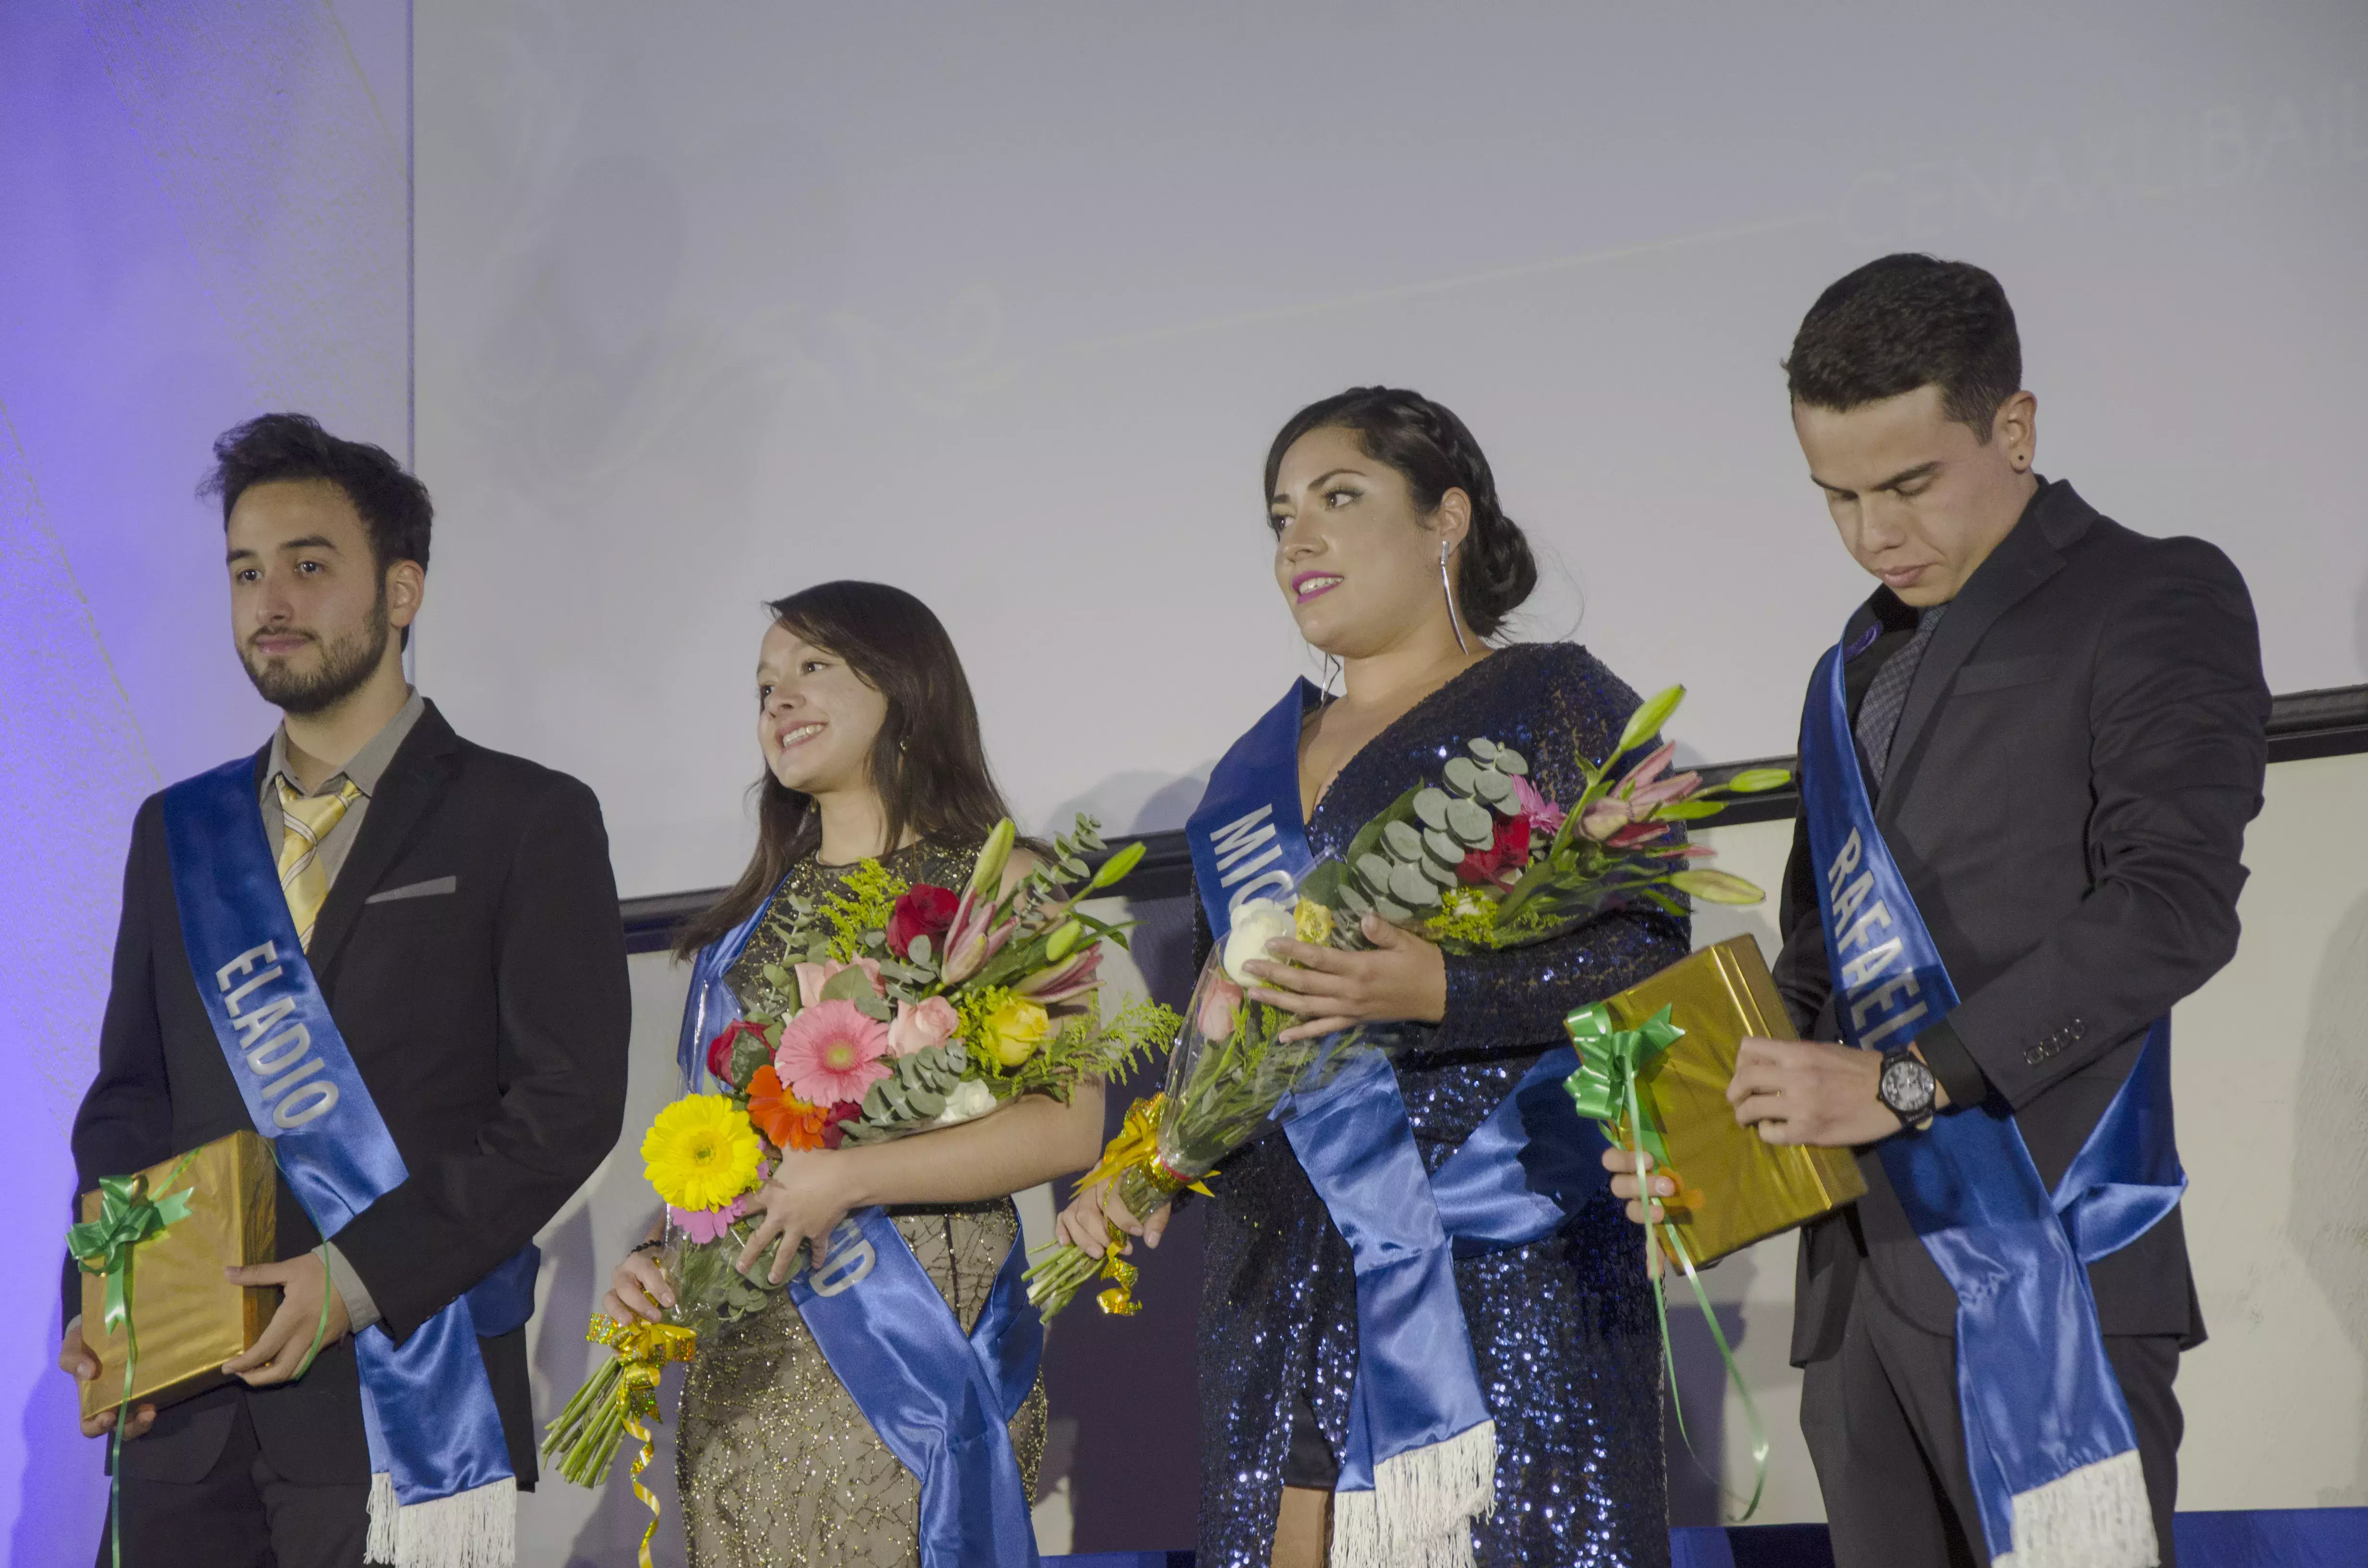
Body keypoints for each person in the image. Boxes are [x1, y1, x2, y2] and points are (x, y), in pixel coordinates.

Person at [1615, 256, 2268, 1568]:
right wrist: (1696, 1136)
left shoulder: (2153, 592)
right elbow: (1816, 966)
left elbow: (2173, 906)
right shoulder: (1845, 666)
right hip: (1860, 1289)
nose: (1874, 535)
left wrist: (1910, 1084)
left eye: (1910, 485)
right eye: (1838, 497)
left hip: (2050, 1263)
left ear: (2013, 429)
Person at [1059, 388, 1683, 1568]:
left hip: (1502, 1259)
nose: (1298, 538)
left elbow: (1650, 952)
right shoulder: (1246, 778)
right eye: (1281, 514)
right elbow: (1225, 1023)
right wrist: (1153, 1165)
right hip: (1282, 1279)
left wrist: (1446, 988)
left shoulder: (1555, 695)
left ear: (1446, 519)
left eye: (1339, 499)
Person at [60, 413, 631, 1567]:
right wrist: (99, 1294)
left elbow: (565, 1106)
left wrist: (359, 1280)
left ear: (402, 589)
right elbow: (130, 1096)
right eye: (245, 571)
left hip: (400, 1395)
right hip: (187, 1408)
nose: (271, 599)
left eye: (310, 566)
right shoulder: (178, 830)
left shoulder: (527, 816)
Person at [600, 580, 1104, 1568]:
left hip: (920, 1360)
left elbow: (1065, 1129)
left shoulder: (1001, 884)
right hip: (750, 1373)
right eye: (763, 686)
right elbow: (721, 1154)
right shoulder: (739, 936)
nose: (778, 700)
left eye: (813, 668)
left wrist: (852, 1178)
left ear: (905, 689)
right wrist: (660, 1254)